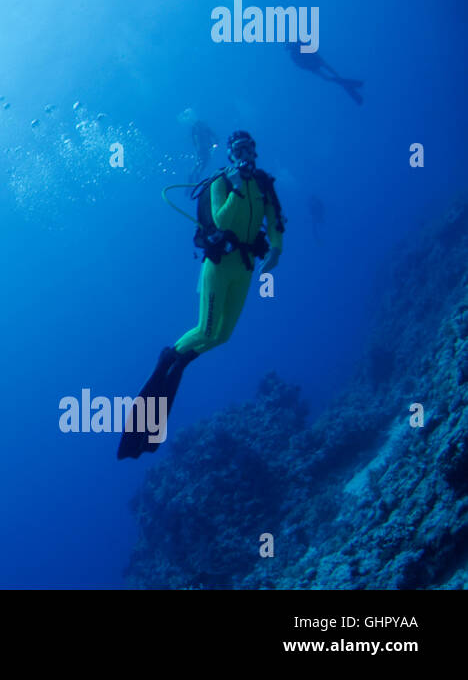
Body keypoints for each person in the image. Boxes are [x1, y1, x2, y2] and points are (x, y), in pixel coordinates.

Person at [117, 131, 285, 459]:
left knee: (223, 336)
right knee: (206, 329)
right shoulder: (220, 181)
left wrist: (276, 249)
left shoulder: (265, 184)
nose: (245, 154)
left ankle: (182, 360)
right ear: (229, 154)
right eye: (238, 149)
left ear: (256, 151)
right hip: (219, 266)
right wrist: (236, 187)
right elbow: (220, 218)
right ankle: (169, 357)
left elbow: (275, 221)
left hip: (246, 267)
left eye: (249, 148)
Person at [285, 42, 364, 105]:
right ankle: (348, 84)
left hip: (316, 64)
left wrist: (315, 62)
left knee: (331, 77)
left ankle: (348, 84)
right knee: (330, 78)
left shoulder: (297, 48)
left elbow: (308, 56)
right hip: (315, 65)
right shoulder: (295, 51)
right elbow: (302, 63)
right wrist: (314, 63)